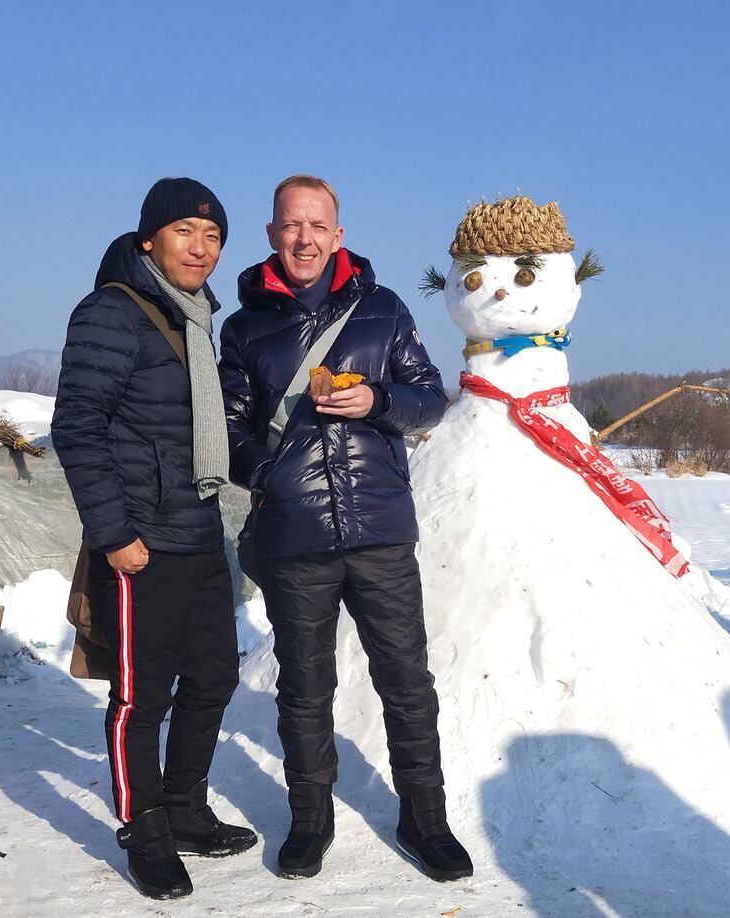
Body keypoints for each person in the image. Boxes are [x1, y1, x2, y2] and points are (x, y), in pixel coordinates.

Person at [219, 174, 473, 882]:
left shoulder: (384, 311)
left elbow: (430, 401)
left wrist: (380, 398)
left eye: (317, 226)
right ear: (272, 235)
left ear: (338, 235)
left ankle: (425, 820)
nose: (304, 238)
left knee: (406, 681)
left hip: (381, 529)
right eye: (290, 226)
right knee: (304, 687)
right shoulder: (242, 329)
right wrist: (268, 477)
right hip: (294, 537)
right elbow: (231, 433)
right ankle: (310, 820)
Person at [52, 177, 257, 900]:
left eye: (213, 237)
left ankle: (186, 807)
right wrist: (114, 536)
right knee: (141, 697)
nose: (200, 249)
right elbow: (75, 428)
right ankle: (144, 828)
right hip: (144, 538)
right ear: (149, 240)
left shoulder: (195, 316)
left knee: (215, 676)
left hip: (198, 529)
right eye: (184, 233)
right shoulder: (115, 311)